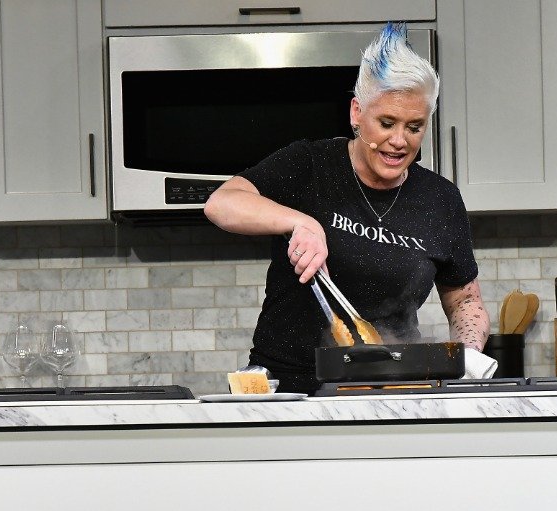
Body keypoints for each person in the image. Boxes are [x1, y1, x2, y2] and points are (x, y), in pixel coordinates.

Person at [204, 22, 490, 394]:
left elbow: (465, 299)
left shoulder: (441, 200)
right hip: (290, 390)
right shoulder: (309, 165)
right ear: (357, 113)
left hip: (393, 390)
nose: (399, 141)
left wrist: (467, 358)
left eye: (415, 127)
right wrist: (300, 222)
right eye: (386, 123)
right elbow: (221, 203)